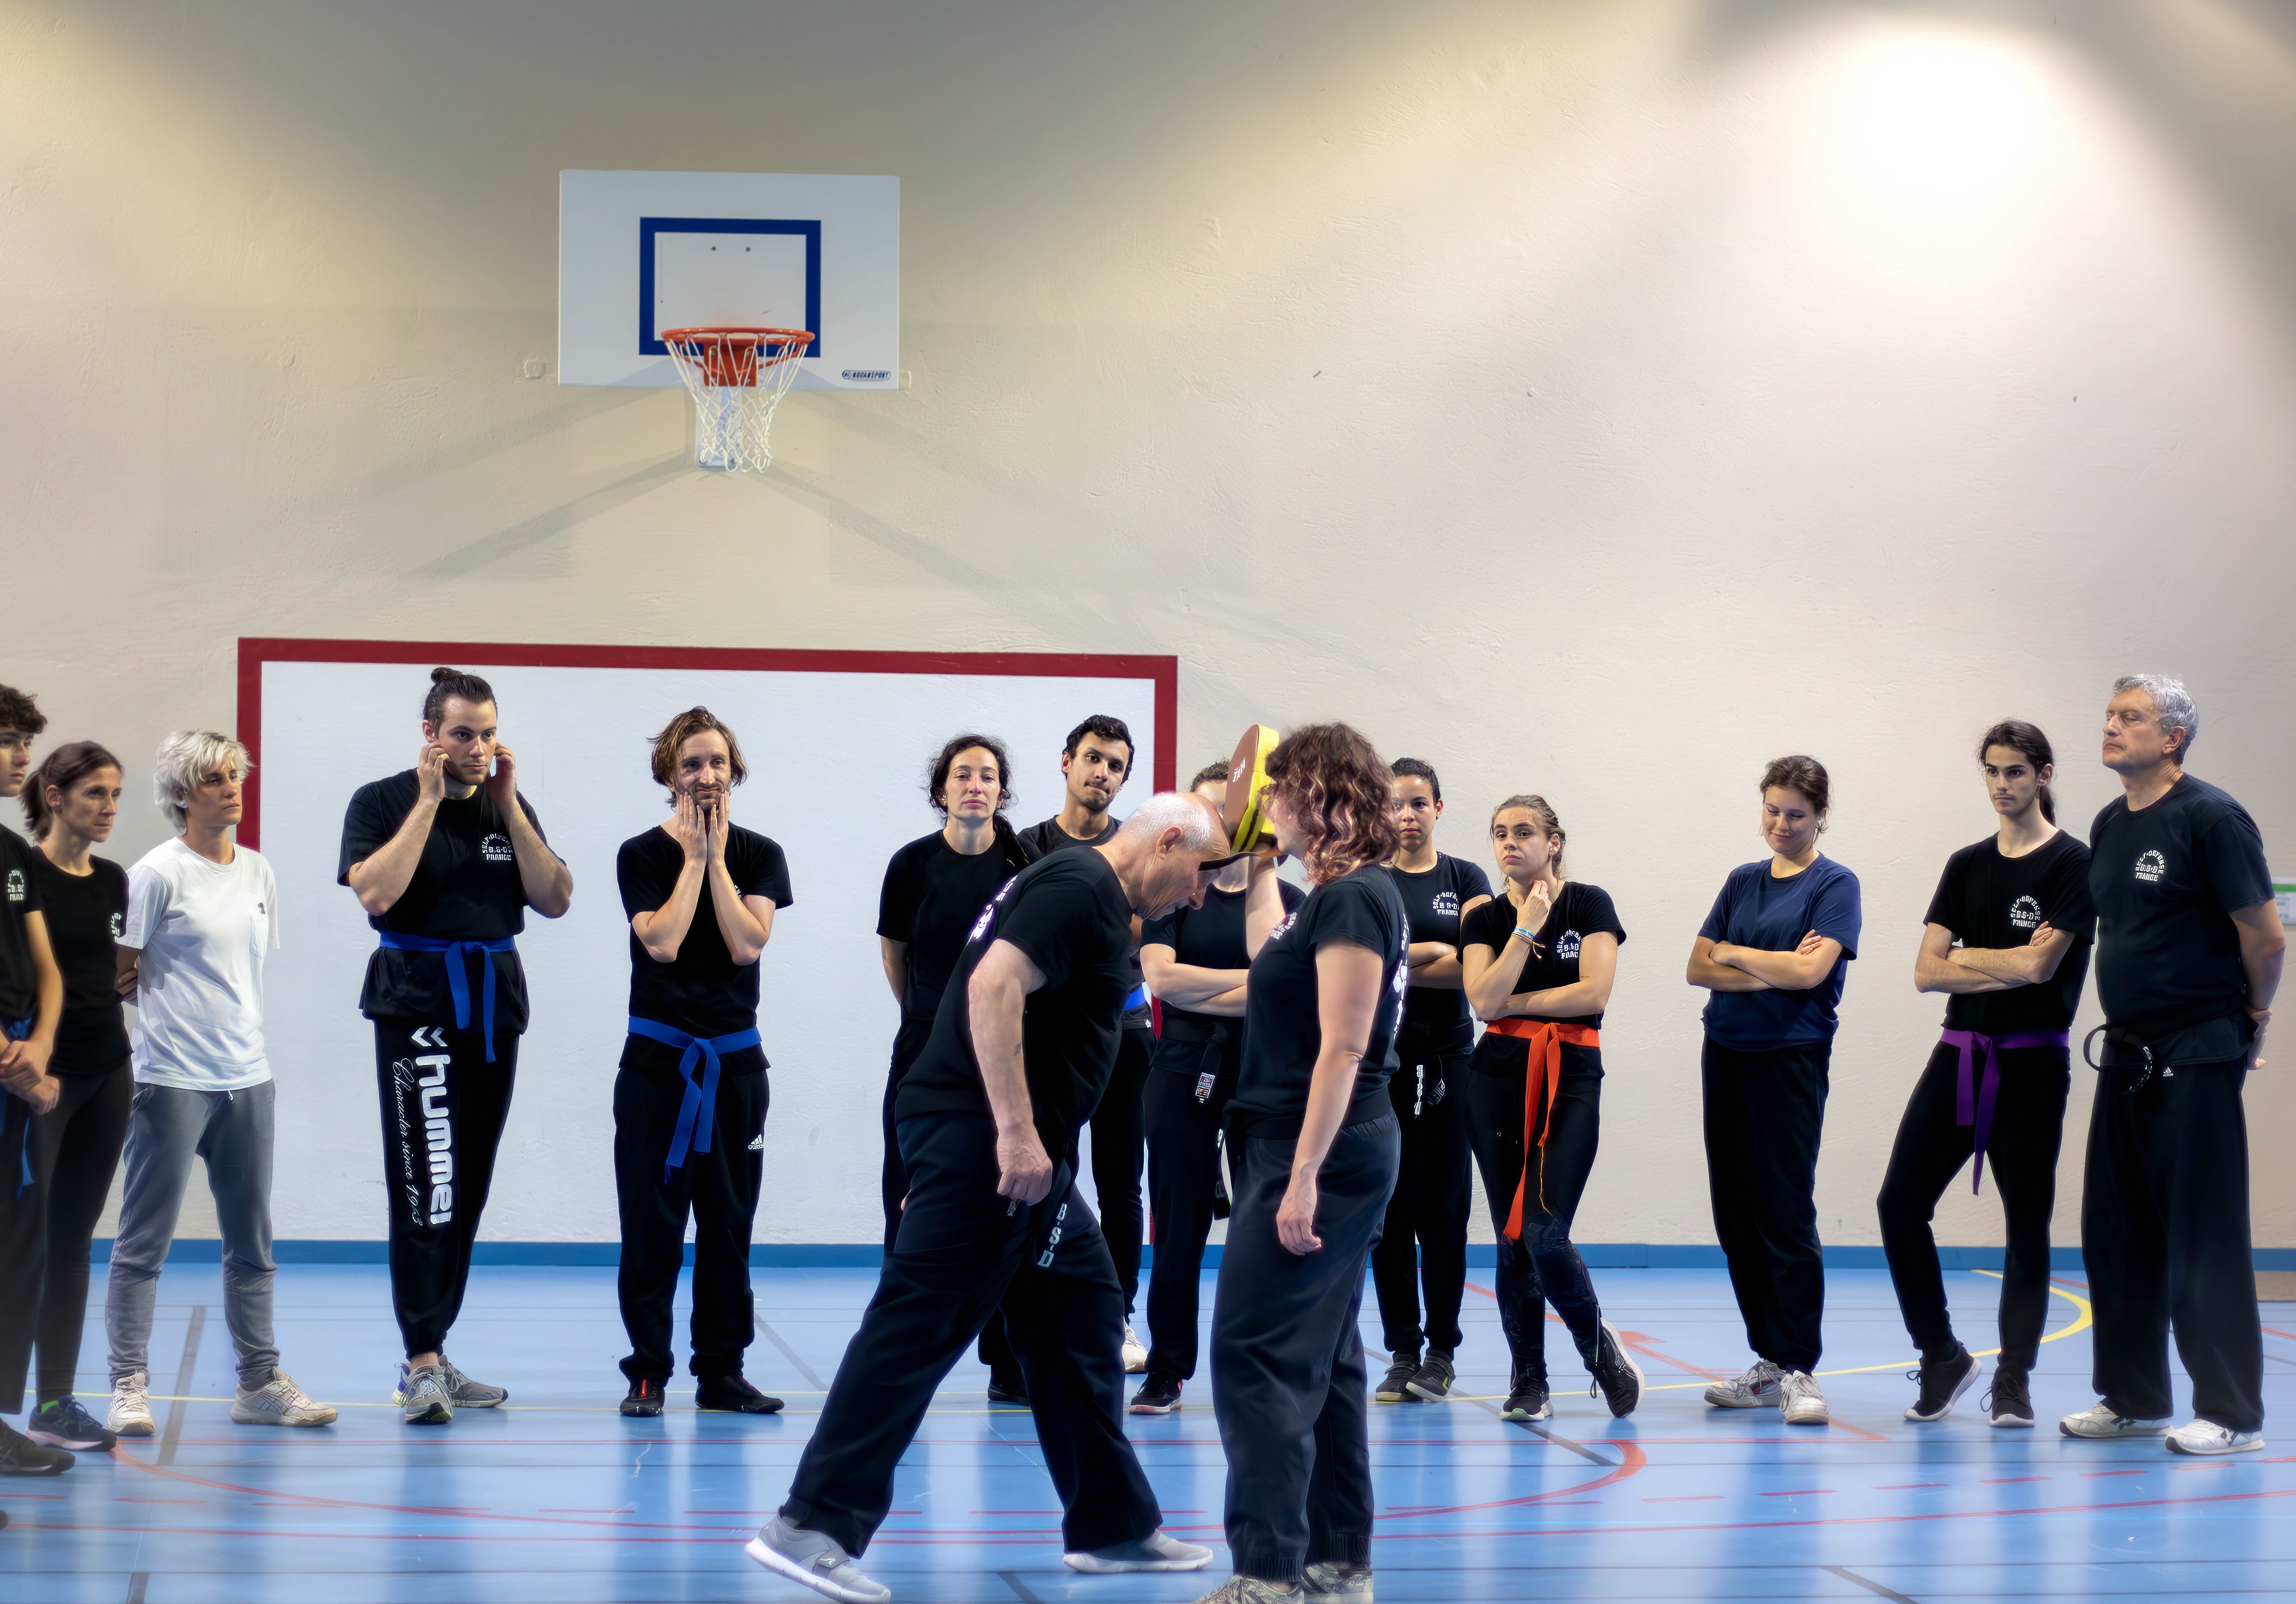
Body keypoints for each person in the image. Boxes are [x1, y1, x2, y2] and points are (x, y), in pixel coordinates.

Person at [746, 794, 1226, 1604]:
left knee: (1082, 1307)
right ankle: (812, 1524)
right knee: (919, 1318)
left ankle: (1111, 1525)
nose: (1202, 894)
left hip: (1009, 1154)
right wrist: (1009, 1133)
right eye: (1203, 873)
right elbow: (995, 984)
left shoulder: (1091, 891)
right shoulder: (1080, 885)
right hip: (989, 1144)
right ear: (1169, 841)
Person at [1197, 723, 1409, 1604]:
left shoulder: (1357, 899)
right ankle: (1336, 1561)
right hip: (1300, 1139)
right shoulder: (1330, 898)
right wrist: (1254, 867)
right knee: (1328, 1358)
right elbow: (1273, 962)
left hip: (1320, 1144)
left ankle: (1267, 1570)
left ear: (1322, 797)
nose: (1268, 800)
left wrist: (1304, 1174)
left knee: (1256, 1350)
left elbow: (1346, 1044)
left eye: (1282, 788)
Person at [339, 667, 573, 1425]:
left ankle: (435, 1346)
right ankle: (419, 1364)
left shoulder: (509, 805)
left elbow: (555, 899)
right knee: (426, 1184)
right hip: (419, 1011)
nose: (477, 747)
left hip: (492, 1009)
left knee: (466, 1186)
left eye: (487, 732)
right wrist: (429, 803)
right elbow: (375, 893)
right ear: (431, 737)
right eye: (462, 734)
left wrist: (509, 807)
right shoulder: (382, 800)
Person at [2063, 675, 2281, 1456]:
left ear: (2173, 738)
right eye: (2110, 714)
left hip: (2198, 1047)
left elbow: (2265, 937)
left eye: (2131, 717)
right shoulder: (2108, 822)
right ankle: (2132, 1397)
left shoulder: (2211, 818)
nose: (2112, 726)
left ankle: (2231, 1415)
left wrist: (2253, 1018)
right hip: (2126, 1054)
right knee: (2116, 1231)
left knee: (2203, 1235)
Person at [105, 731, 335, 1438]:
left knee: (252, 1245)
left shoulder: (258, 872)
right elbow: (121, 974)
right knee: (144, 1242)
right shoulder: (155, 874)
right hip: (171, 1082)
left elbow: (242, 973)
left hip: (248, 1081)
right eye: (213, 778)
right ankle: (127, 1384)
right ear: (180, 795)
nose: (231, 787)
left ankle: (260, 1382)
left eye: (235, 774)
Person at [1881, 722, 2092, 1428]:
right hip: (1959, 1055)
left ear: (2043, 774)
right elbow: (1922, 972)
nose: (2002, 785)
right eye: (1992, 772)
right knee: (1898, 1203)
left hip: (2034, 1063)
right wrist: (1997, 958)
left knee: (2026, 1223)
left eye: (2015, 772)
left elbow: (2042, 969)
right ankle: (1941, 1353)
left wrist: (1969, 958)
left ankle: (2014, 1379)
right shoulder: (1966, 864)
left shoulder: (2072, 864)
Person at [612, 708, 792, 1417]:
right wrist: (691, 859)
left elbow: (747, 942)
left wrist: (716, 859)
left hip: (736, 1068)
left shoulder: (760, 853)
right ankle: (649, 1372)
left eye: (717, 762)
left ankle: (722, 1372)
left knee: (728, 1226)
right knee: (652, 1226)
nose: (706, 776)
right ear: (669, 774)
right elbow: (661, 941)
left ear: (735, 770)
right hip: (657, 1066)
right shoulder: (640, 854)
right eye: (691, 765)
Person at [1685, 755, 1860, 1429]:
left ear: (1819, 817)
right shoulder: (1741, 881)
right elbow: (1696, 965)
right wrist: (1770, 969)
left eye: (1794, 814)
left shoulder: (1835, 885)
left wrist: (1738, 955)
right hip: (1724, 1053)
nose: (1780, 824)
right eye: (1772, 811)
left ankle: (1801, 1369)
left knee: (1783, 1209)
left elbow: (1812, 973)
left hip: (1790, 1060)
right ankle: (1767, 1362)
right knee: (1735, 1212)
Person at [1458, 793, 1640, 1424]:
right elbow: (1482, 1001)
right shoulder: (1483, 916)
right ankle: (1528, 1381)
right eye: (1499, 833)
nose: (1509, 843)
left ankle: (1600, 1355)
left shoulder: (1589, 902)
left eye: (1525, 832)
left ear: (1553, 841)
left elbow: (1593, 992)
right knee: (1511, 1239)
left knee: (1542, 1229)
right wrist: (1525, 933)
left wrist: (1518, 1002)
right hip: (1495, 1081)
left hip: (1570, 1074)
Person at [1131, 762, 1297, 1414]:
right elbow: (1162, 982)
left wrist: (1236, 991)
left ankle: (1264, 1366)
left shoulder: (1289, 903)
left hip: (1262, 1073)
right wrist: (1249, 990)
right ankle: (1167, 1369)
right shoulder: (1173, 898)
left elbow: (1285, 996)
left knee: (1267, 1224)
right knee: (1178, 1226)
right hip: (1180, 1069)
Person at [877, 735, 1037, 1402]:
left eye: (988, 775)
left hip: (1003, 1053)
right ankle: (896, 1359)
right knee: (906, 1199)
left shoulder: (1022, 865)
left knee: (1006, 1203)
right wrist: (935, 1025)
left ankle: (1007, 1363)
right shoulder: (910, 864)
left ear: (1003, 792)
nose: (975, 784)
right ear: (940, 788)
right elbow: (896, 954)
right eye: (962, 775)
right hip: (923, 1051)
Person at [1016, 714, 1153, 1373]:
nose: (1103, 773)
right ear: (1066, 761)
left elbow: (1127, 938)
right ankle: (1045, 1310)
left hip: (1124, 1031)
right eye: (1093, 759)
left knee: (1122, 1184)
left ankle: (1118, 1317)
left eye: (1116, 766)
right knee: (1049, 1176)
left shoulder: (1140, 849)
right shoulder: (1026, 848)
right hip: (1048, 1039)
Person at [9, 746, 135, 1457]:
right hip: (40, 1081)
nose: (110, 807)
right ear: (53, 797)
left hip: (108, 1071)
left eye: (115, 794)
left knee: (72, 1242)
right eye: (94, 793)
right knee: (22, 1242)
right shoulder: (20, 875)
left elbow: (112, 967)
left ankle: (54, 1403)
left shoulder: (114, 879)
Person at [1367, 757, 1490, 1405]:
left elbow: (1473, 968)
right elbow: (1360, 961)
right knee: (1386, 1211)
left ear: (1438, 808)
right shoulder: (1371, 880)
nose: (1406, 815)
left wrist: (1398, 956)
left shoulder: (1463, 877)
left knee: (1443, 1210)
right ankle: (1402, 1349)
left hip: (1448, 1060)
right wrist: (1427, 955)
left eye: (1418, 803)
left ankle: (1440, 1351)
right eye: (1395, 804)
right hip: (1379, 1064)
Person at [0, 683, 74, 1479]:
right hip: (9, 1074)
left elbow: (44, 966)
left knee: (16, 1255)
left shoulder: (13, 856)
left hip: (22, 1075)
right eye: (9, 740)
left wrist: (41, 1051)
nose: (23, 756)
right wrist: (13, 1066)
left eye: (26, 740)